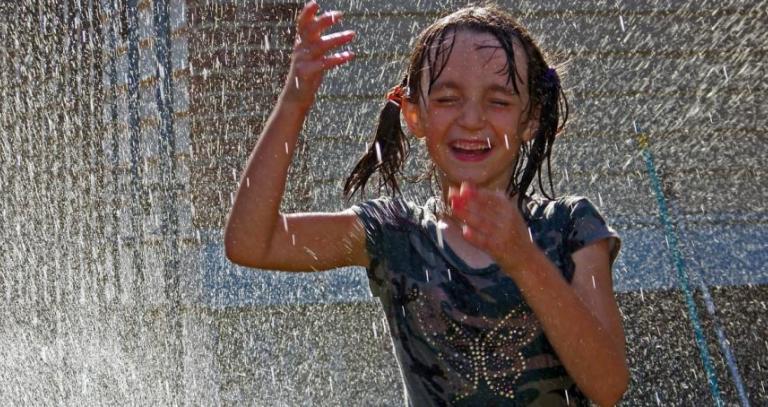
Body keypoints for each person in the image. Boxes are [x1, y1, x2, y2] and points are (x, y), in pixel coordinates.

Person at [224, 1, 629, 405]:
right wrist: (294, 104)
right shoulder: (395, 234)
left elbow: (608, 386)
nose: (472, 118)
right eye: (448, 99)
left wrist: (524, 259)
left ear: (531, 118)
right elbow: (250, 242)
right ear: (413, 115)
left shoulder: (569, 227)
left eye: (499, 101)